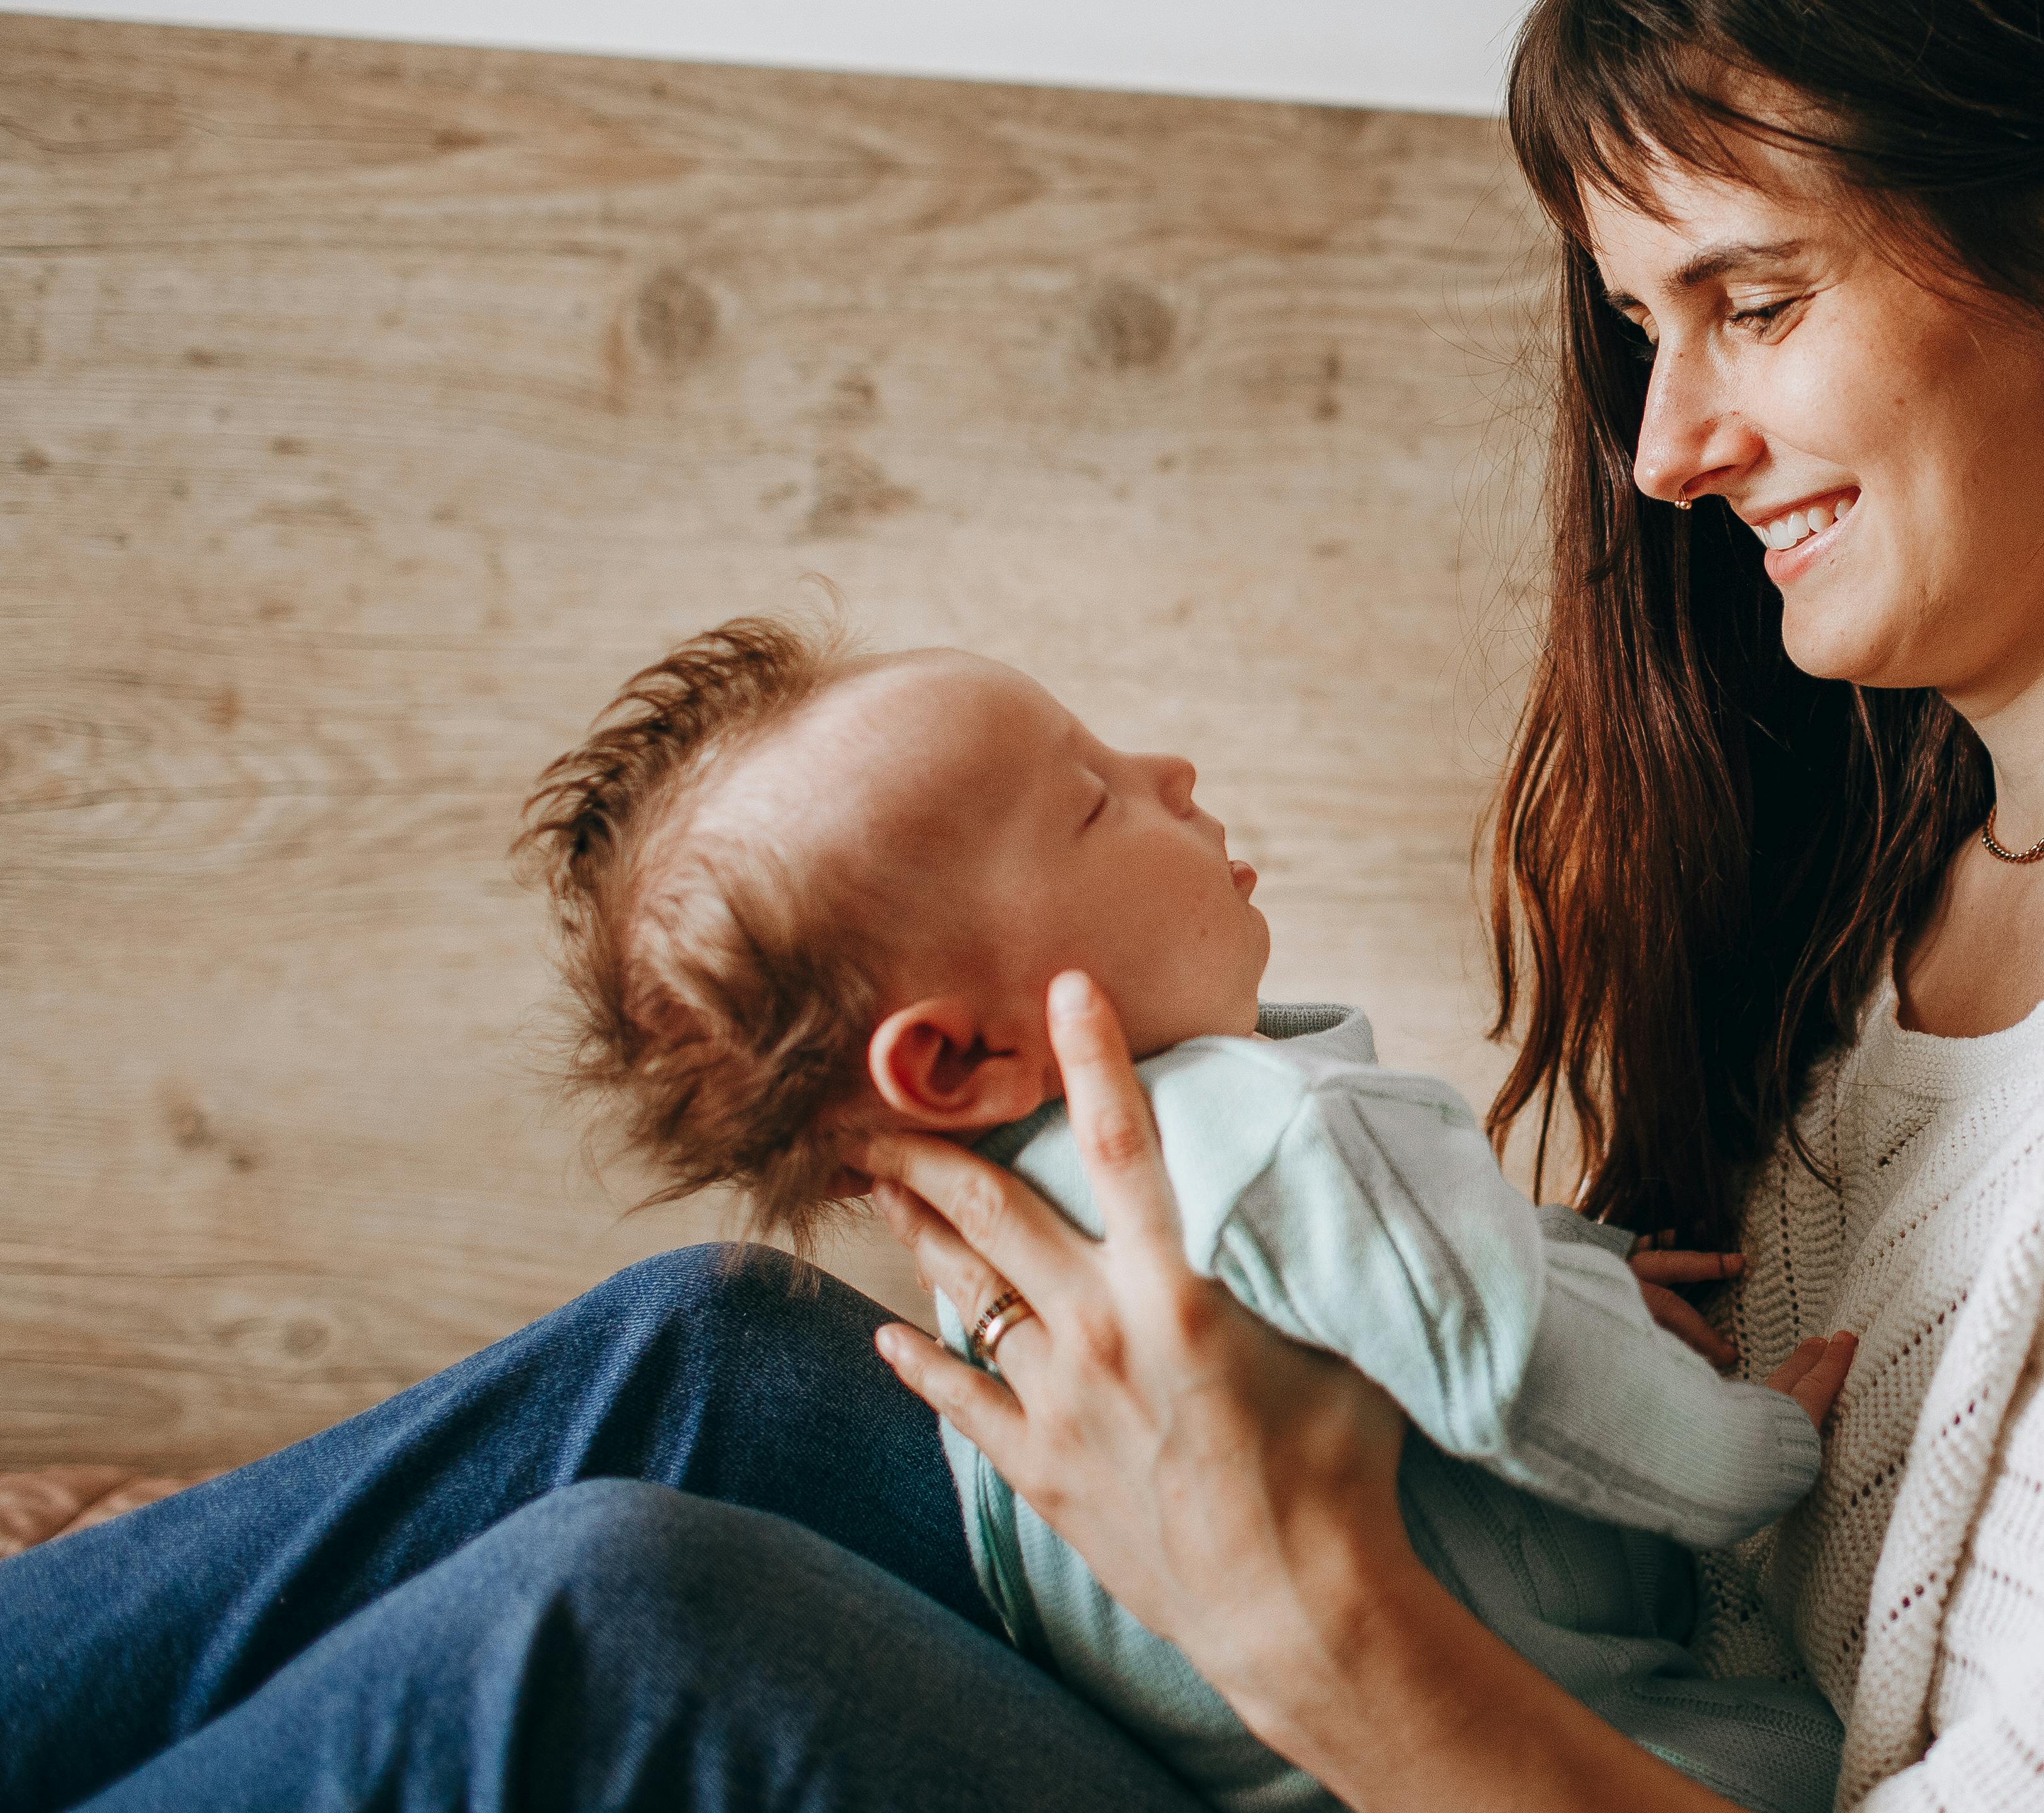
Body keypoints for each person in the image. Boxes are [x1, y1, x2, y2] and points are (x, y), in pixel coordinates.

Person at [1, 0, 2044, 1813]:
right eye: (1646, 328)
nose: (1667, 447)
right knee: (704, 1360)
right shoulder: (1937, 880)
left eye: (1751, 302)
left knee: (603, 1630)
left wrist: (1302, 1606)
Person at [507, 615, 1854, 1812]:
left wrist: (1571, 1257)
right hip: (1569, 1730)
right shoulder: (1264, 1135)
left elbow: (1411, 1282)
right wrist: (1753, 1457)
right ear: (960, 1059)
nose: (1173, 775)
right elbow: (1508, 1360)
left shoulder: (1007, 1254)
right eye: (1093, 800)